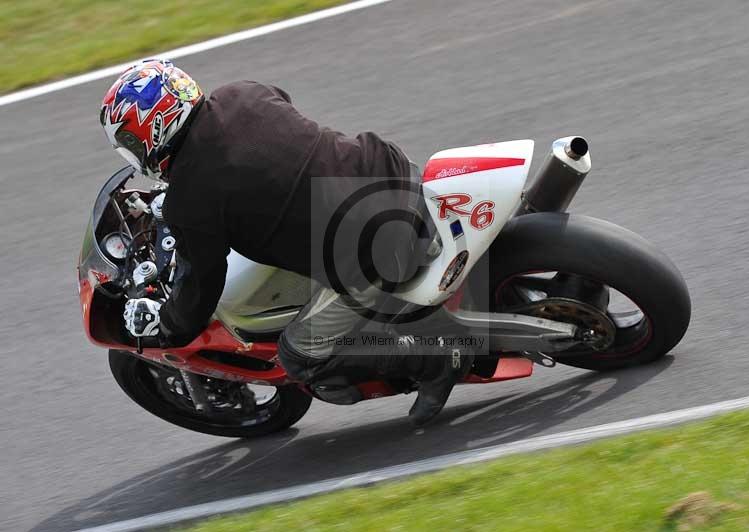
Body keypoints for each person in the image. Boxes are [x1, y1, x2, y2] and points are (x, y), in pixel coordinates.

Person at [101, 59, 473, 425]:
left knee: (300, 355)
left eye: (130, 140)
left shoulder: (192, 201)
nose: (132, 151)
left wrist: (166, 325)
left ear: (157, 126)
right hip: (390, 168)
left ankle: (436, 360)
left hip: (375, 251)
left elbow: (202, 282)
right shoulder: (242, 94)